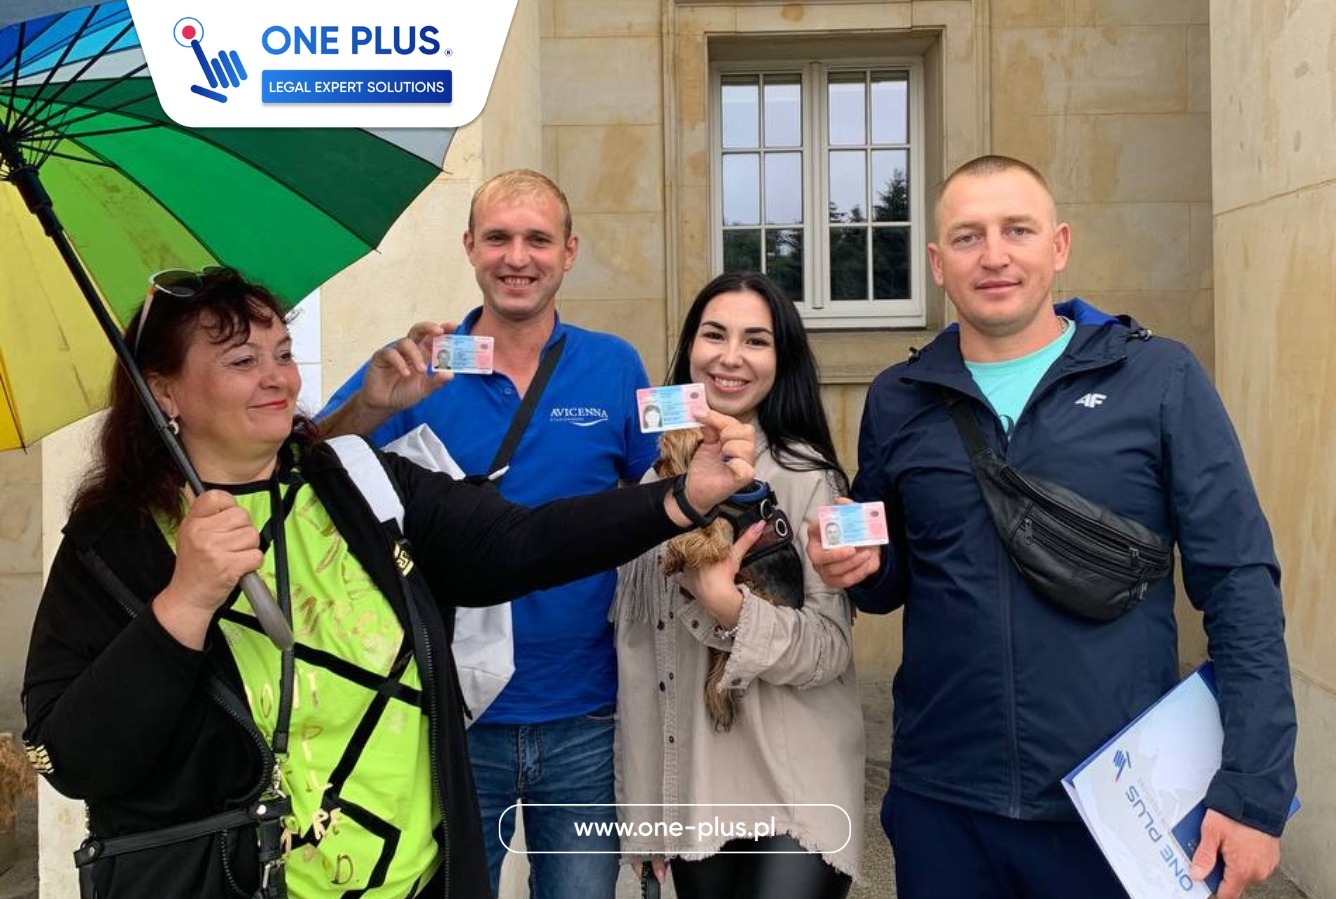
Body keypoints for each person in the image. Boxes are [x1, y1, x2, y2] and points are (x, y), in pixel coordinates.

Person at [21, 267, 756, 899]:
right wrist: (183, 604)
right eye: (243, 360)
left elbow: (521, 541)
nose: (279, 378)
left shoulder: (352, 480)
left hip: (416, 878)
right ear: (164, 391)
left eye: (284, 353)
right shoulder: (114, 539)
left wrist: (679, 500)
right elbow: (72, 756)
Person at [806, 155, 1296, 899]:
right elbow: (893, 578)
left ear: (1059, 245)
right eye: (967, 237)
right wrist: (862, 571)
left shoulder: (1159, 379)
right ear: (937, 263)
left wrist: (1255, 788)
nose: (994, 255)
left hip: (1116, 803)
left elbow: (1241, 582)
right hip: (944, 802)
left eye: (1018, 230)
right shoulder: (899, 398)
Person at [318, 169, 658, 897]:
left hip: (585, 712)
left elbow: (665, 487)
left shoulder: (614, 366)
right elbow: (311, 465)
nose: (518, 257)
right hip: (452, 709)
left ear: (569, 251)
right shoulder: (420, 365)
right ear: (469, 247)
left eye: (539, 239)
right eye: (498, 238)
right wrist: (374, 407)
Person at [613, 272, 864, 899]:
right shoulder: (652, 489)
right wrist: (646, 819)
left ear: (782, 360)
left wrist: (727, 605)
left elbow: (829, 649)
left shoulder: (809, 480)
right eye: (714, 335)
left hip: (796, 789)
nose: (730, 357)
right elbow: (642, 664)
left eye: (756, 340)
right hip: (696, 793)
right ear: (689, 348)